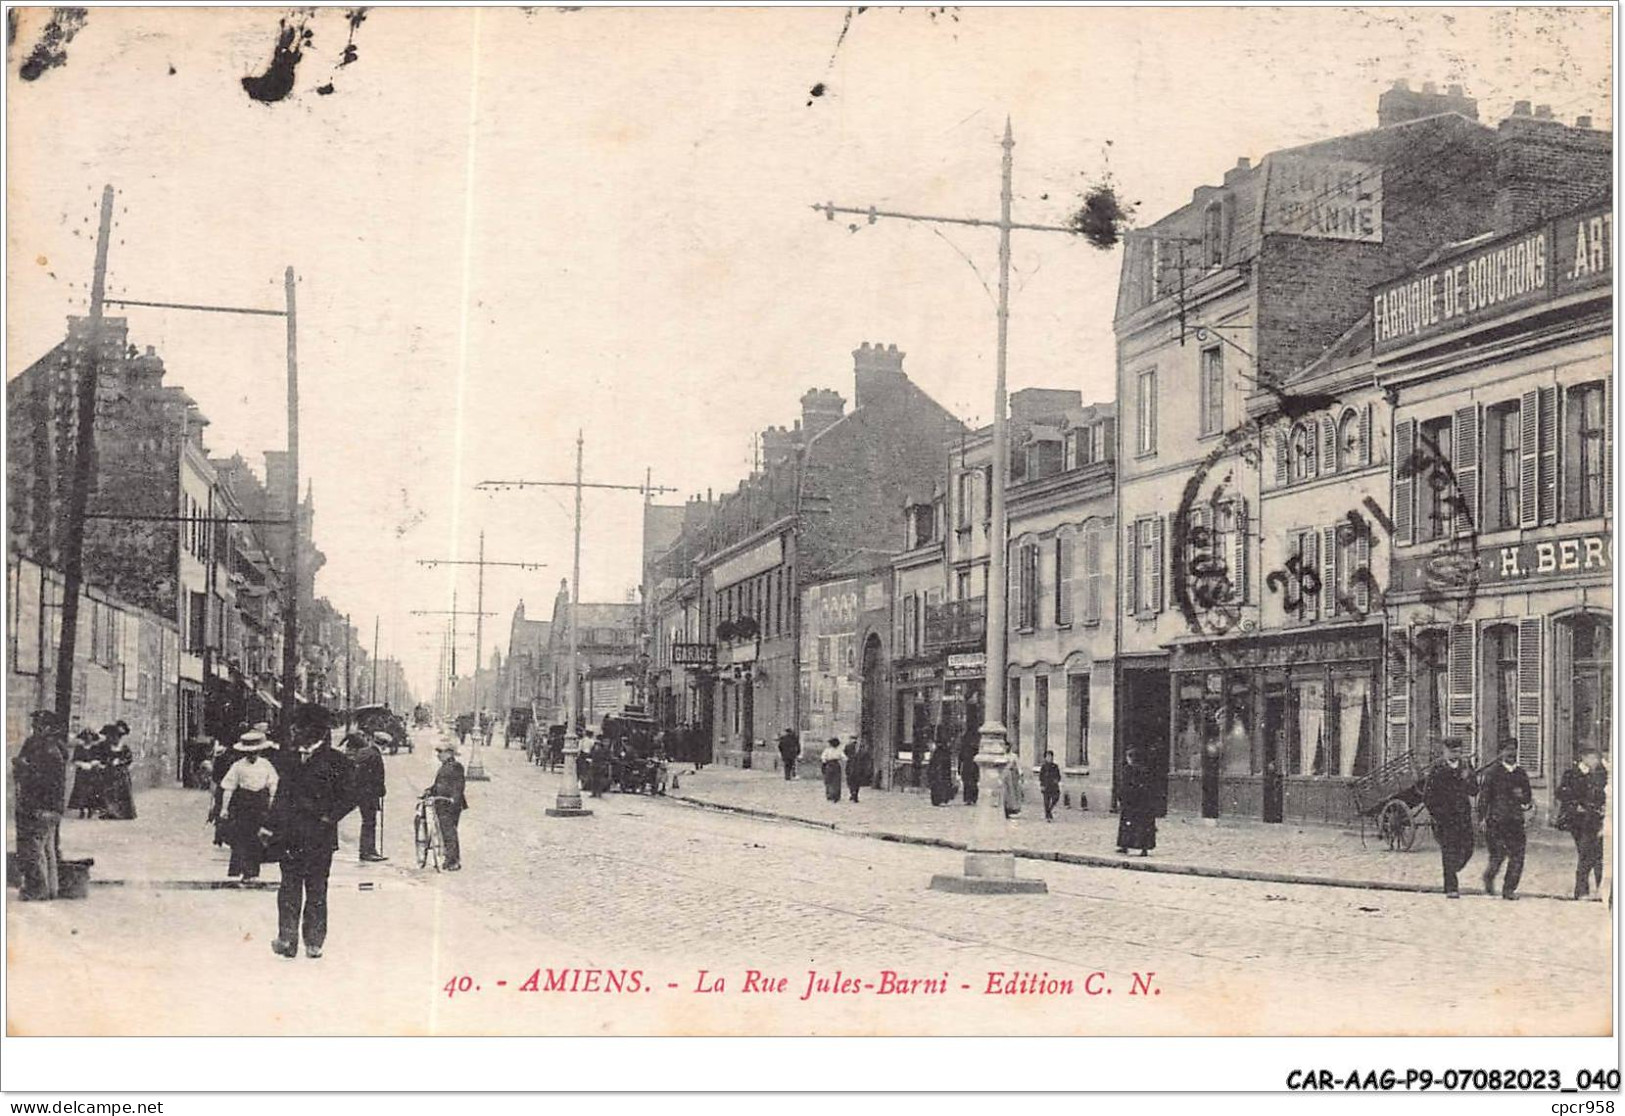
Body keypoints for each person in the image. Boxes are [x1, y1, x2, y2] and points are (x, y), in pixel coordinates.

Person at [263, 706, 356, 959]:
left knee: (316, 889)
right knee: (288, 887)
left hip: (319, 836)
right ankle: (287, 939)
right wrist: (269, 826)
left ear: (315, 730)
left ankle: (314, 941)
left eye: (299, 726)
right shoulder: (290, 759)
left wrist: (330, 816)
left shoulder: (337, 761)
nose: (294, 731)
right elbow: (281, 795)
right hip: (290, 835)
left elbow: (351, 796)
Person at [13, 710, 70, 900]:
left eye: (38, 724)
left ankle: (37, 890)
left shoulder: (47, 751)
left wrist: (23, 767)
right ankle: (51, 889)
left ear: (47, 728)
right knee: (47, 849)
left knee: (34, 850)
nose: (34, 728)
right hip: (51, 807)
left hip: (41, 807)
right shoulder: (53, 747)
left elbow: (41, 780)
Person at [1422, 736, 1479, 898]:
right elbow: (1428, 796)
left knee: (1468, 848)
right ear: (1445, 751)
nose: (1456, 755)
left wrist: (1468, 778)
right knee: (1448, 851)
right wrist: (1438, 814)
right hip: (1445, 818)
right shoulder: (1437, 768)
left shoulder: (1466, 766)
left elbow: (1474, 791)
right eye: (1453, 751)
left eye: (1459, 752)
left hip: (1463, 815)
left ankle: (1453, 868)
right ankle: (1451, 888)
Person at [218, 732, 279, 881]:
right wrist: (224, 808)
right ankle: (240, 869)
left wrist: (272, 803)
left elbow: (273, 784)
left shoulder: (265, 765)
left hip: (260, 804)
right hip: (243, 803)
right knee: (241, 837)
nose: (252, 755)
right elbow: (229, 787)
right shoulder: (237, 766)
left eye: (255, 752)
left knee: (257, 838)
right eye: (249, 753)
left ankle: (252, 872)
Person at [1476, 737, 1531, 900]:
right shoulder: (1492, 772)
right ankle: (1489, 877)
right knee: (1498, 855)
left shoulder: (1521, 773)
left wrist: (1522, 797)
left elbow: (1528, 797)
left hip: (1516, 820)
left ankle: (1509, 889)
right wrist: (1482, 818)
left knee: (1518, 856)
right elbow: (1484, 798)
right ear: (1501, 753)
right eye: (1507, 749)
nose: (1511, 753)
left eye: (1513, 749)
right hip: (1496, 820)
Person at [1556, 745, 1608, 901]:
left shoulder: (1600, 774)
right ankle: (1582, 891)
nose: (1596, 761)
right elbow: (1561, 793)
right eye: (1593, 758)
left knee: (1596, 855)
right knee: (1588, 854)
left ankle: (1601, 890)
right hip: (1578, 821)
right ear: (1584, 758)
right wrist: (1575, 804)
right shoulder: (1571, 774)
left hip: (1595, 819)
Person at [424, 742, 468, 871]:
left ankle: (453, 861)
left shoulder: (456, 766)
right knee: (446, 832)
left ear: (449, 753)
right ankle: (449, 858)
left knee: (449, 832)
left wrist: (454, 799)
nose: (438, 755)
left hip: (450, 804)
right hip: (441, 803)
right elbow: (439, 785)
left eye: (440, 752)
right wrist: (429, 791)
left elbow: (459, 786)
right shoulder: (444, 767)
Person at [347, 731, 389, 863]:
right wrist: (381, 790)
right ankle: (367, 851)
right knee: (369, 823)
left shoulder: (363, 752)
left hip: (361, 792)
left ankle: (369, 850)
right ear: (383, 745)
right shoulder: (375, 755)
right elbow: (377, 777)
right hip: (369, 794)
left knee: (368, 822)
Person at [1116, 749, 1157, 856]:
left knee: (1128, 824)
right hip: (1144, 803)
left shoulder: (1128, 770)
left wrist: (1121, 798)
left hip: (1131, 802)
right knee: (1143, 826)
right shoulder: (1146, 770)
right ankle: (1144, 848)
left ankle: (1125, 846)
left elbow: (1125, 787)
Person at [100, 721, 137, 820]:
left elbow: (129, 759)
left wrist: (120, 761)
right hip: (110, 771)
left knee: (122, 792)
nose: (113, 739)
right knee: (109, 792)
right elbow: (103, 757)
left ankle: (123, 813)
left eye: (115, 736)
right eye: (112, 737)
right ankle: (111, 812)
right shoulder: (107, 747)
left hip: (121, 772)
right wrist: (108, 761)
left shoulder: (124, 747)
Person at [68, 728, 107, 819]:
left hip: (92, 773)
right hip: (82, 773)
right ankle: (81, 810)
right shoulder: (79, 748)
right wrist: (81, 764)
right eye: (86, 737)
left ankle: (90, 809)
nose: (88, 738)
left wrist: (93, 763)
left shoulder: (95, 748)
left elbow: (100, 759)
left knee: (92, 791)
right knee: (81, 790)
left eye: (90, 737)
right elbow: (74, 759)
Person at [206, 740, 235, 846]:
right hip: (227, 786)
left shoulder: (220, 755)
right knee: (222, 809)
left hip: (221, 786)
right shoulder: (233, 757)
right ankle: (221, 835)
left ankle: (219, 835)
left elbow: (214, 776)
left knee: (218, 809)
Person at [927, 738, 956, 807]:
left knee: (942, 776)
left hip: (943, 754)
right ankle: (939, 798)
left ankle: (942, 798)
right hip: (939, 754)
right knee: (938, 776)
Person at [846, 737, 874, 804]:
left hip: (856, 767)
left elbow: (866, 758)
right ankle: (853, 793)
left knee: (854, 781)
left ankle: (854, 794)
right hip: (854, 766)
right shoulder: (850, 747)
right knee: (853, 781)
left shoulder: (862, 749)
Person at [958, 730, 981, 806]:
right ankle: (973, 798)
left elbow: (960, 759)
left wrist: (959, 769)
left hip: (967, 767)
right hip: (972, 767)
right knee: (972, 783)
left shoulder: (964, 749)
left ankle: (968, 798)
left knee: (968, 784)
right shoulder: (975, 749)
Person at [819, 738, 845, 803]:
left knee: (828, 780)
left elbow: (823, 758)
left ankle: (829, 794)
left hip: (829, 764)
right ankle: (836, 795)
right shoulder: (839, 750)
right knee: (836, 780)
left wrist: (824, 763)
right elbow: (844, 758)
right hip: (836, 764)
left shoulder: (827, 750)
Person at [1040, 750, 1062, 822]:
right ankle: (1048, 815)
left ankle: (1049, 810)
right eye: (1048, 756)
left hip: (1054, 786)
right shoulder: (1043, 767)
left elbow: (1059, 776)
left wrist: (1057, 780)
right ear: (1045, 758)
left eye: (1051, 756)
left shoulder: (1055, 766)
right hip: (1046, 786)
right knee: (1046, 801)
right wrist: (1042, 785)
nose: (1050, 758)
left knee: (1056, 798)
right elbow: (1041, 777)